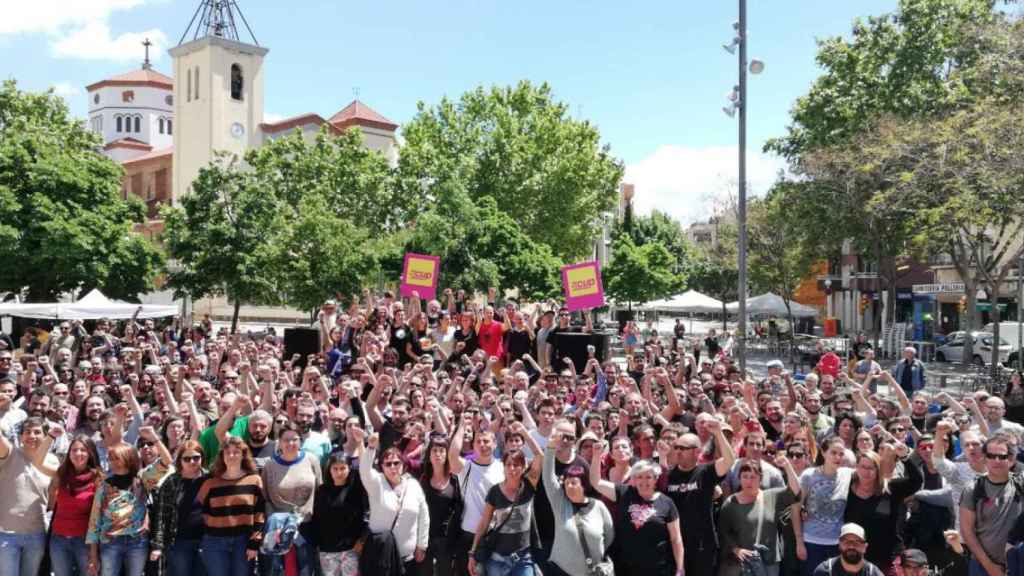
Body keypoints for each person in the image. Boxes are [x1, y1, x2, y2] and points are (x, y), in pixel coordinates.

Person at [87, 427, 172, 576]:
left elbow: (167, 461)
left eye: (117, 457)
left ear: (129, 458)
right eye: (110, 458)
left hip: (137, 542)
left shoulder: (143, 479)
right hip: (110, 541)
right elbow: (95, 521)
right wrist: (93, 556)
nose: (113, 462)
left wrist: (154, 437)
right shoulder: (104, 485)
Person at [590, 449, 685, 576]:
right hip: (625, 568)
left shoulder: (667, 503)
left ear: (656, 479)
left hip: (658, 569)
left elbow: (676, 539)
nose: (644, 481)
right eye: (639, 477)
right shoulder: (623, 492)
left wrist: (680, 568)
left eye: (648, 477)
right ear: (634, 479)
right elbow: (596, 482)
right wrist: (596, 456)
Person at [662, 418, 736, 576]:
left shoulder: (705, 472)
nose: (678, 451)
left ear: (697, 451)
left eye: (683, 448)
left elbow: (729, 460)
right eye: (676, 447)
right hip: (674, 545)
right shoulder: (667, 476)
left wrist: (718, 433)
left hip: (703, 546)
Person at [542, 428, 614, 576]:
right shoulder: (560, 504)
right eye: (566, 483)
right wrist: (550, 448)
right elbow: (548, 478)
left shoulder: (598, 506)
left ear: (583, 484)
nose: (569, 486)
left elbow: (609, 535)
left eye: (573, 482)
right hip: (560, 571)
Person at [718, 455, 802, 576]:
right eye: (745, 477)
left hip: (770, 563)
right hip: (743, 564)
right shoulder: (731, 503)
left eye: (753, 477)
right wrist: (736, 549)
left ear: (760, 479)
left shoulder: (772, 496)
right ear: (739, 478)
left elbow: (796, 492)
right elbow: (722, 532)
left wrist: (788, 466)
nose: (748, 481)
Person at [359, 430, 429, 575]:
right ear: (382, 467)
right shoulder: (376, 483)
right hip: (381, 558)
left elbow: (423, 515)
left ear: (403, 464)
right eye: (388, 464)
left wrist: (422, 545)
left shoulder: (413, 485)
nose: (392, 467)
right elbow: (364, 470)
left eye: (396, 463)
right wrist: (371, 448)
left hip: (407, 558)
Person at [843, 448, 923, 573]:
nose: (866, 471)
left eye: (871, 468)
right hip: (857, 557)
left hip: (889, 556)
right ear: (856, 467)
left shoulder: (891, 488)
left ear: (878, 470)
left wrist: (905, 458)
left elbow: (916, 481)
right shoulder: (845, 488)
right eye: (863, 467)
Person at [468, 444, 542, 576]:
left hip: (523, 558)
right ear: (503, 467)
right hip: (497, 559)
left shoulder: (529, 485)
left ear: (524, 466)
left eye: (516, 464)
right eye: (508, 464)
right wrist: (472, 553)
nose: (512, 469)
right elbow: (484, 523)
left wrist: (524, 432)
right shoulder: (495, 492)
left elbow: (540, 455)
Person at [0, 416, 61, 575]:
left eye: (37, 432)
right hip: (6, 535)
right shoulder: (10, 453)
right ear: (21, 436)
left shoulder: (53, 461)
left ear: (46, 436)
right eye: (27, 432)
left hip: (36, 533)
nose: (32, 436)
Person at [196, 436, 265, 576]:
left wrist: (254, 543)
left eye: (236, 452)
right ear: (222, 456)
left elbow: (260, 514)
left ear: (243, 455)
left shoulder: (254, 480)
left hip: (243, 541)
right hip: (214, 542)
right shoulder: (210, 482)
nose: (231, 455)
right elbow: (202, 511)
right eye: (227, 452)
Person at [260, 421, 322, 576]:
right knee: (278, 571)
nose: (290, 443)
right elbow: (266, 497)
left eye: (294, 439)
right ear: (279, 442)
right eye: (286, 440)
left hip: (306, 525)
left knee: (306, 569)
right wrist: (276, 523)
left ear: (300, 441)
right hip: (279, 528)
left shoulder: (311, 460)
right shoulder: (270, 466)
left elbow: (320, 489)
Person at [449, 415, 505, 576]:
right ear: (473, 445)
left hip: (494, 535)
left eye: (486, 441)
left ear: (495, 444)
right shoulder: (465, 467)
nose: (482, 445)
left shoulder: (503, 468)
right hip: (468, 533)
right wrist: (461, 426)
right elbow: (452, 455)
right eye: (478, 442)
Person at [960, 436, 1022, 576]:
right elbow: (967, 532)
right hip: (982, 566)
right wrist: (990, 567)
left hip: (1018, 563)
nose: (996, 461)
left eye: (1002, 456)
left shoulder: (1020, 483)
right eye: (991, 456)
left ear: (1011, 459)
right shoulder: (973, 488)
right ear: (984, 458)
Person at [797, 437, 855, 576]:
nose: (837, 457)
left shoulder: (848, 474)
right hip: (811, 542)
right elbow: (795, 508)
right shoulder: (808, 475)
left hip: (837, 543)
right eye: (833, 452)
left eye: (841, 454)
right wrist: (799, 542)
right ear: (823, 452)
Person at [149, 441, 207, 576]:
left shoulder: (209, 479)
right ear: (180, 461)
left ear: (202, 458)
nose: (192, 461)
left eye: (196, 457)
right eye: (187, 459)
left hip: (206, 540)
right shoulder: (172, 481)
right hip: (179, 541)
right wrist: (157, 545)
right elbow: (160, 516)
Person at [49, 435, 103, 576]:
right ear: (69, 453)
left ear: (90, 453)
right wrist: (50, 436)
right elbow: (37, 461)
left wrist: (93, 553)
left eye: (83, 450)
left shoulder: (98, 479)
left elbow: (96, 520)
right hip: (58, 539)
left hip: (84, 541)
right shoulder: (60, 474)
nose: (78, 453)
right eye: (74, 450)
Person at [310, 452, 367, 576]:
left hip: (351, 550)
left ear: (349, 468)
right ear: (329, 469)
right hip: (327, 551)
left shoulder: (356, 490)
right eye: (335, 468)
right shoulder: (322, 491)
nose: (339, 473)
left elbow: (366, 515)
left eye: (343, 468)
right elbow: (317, 519)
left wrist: (362, 540)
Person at [419, 433, 460, 576]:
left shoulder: (455, 481)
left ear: (447, 454)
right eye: (434, 451)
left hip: (447, 540)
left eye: (442, 451)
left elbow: (459, 510)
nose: (438, 454)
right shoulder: (423, 480)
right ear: (429, 455)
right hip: (426, 538)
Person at [812, 523, 885, 576]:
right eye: (846, 541)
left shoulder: (873, 573)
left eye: (857, 541)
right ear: (839, 545)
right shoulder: (824, 571)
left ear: (865, 547)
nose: (851, 546)